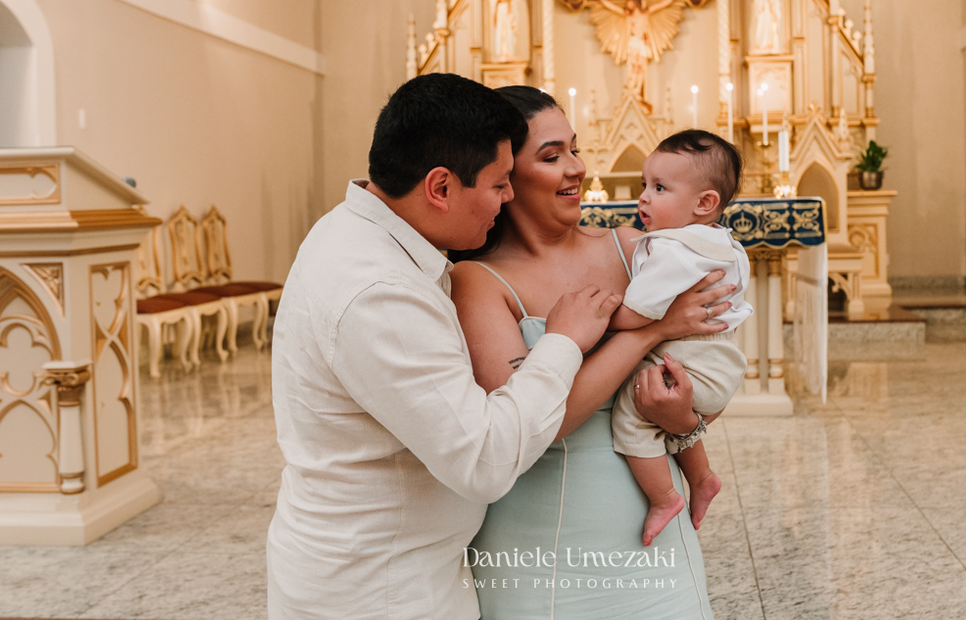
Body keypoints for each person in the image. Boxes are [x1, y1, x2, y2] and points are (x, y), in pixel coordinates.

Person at [266, 73, 626, 620]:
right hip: (379, 589)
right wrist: (563, 342)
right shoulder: (378, 293)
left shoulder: (361, 231)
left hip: (403, 565)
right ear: (440, 187)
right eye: (499, 182)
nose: (507, 197)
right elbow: (482, 459)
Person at [450, 86, 734, 619]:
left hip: (655, 541)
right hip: (539, 546)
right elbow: (530, 425)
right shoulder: (478, 281)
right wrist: (647, 332)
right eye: (552, 156)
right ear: (505, 175)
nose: (576, 167)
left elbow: (709, 365)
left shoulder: (638, 249)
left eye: (575, 149)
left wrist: (687, 417)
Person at [607, 130, 754, 547]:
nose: (644, 198)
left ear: (705, 203)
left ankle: (664, 497)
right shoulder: (721, 241)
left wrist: (601, 320)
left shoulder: (672, 249)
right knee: (666, 424)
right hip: (719, 361)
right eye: (643, 186)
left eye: (659, 188)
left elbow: (639, 312)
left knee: (632, 416)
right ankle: (703, 477)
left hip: (688, 361)